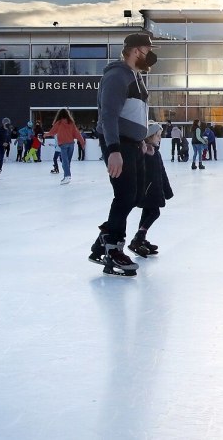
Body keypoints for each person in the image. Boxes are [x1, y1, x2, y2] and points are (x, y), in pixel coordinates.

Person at [88, 32, 156, 277]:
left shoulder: (135, 76)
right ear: (136, 51)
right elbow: (108, 115)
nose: (150, 56)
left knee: (136, 195)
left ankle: (104, 238)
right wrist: (114, 150)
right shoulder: (117, 76)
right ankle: (113, 247)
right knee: (125, 195)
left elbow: (134, 113)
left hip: (133, 144)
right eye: (148, 51)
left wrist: (142, 140)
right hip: (119, 144)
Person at [128, 121, 173, 258]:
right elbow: (137, 172)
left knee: (147, 213)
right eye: (158, 135)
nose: (160, 138)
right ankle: (139, 237)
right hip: (148, 190)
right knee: (154, 212)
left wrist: (167, 190)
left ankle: (140, 240)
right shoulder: (143, 152)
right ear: (150, 136)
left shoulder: (156, 152)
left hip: (155, 189)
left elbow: (162, 172)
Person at [50, 107, 86, 184]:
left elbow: (52, 132)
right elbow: (77, 133)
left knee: (65, 162)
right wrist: (82, 142)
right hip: (71, 145)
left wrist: (45, 135)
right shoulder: (71, 123)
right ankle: (66, 176)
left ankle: (67, 176)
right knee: (67, 162)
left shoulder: (58, 123)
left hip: (63, 145)